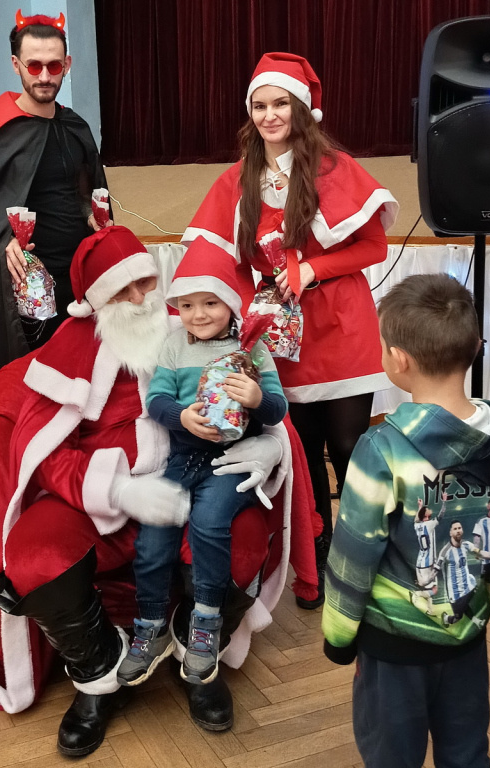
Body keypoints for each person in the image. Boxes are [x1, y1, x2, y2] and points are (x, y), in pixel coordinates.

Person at [0, 226, 309, 758]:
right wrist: (118, 490)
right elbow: (40, 452)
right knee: (34, 556)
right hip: (98, 506)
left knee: (243, 543)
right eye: (120, 290)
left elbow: (259, 396)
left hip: (193, 479)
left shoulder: (192, 326)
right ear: (94, 302)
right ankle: (98, 675)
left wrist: (269, 445)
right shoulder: (70, 352)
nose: (139, 300)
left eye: (146, 283)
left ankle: (196, 658)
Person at [183, 52, 398, 609]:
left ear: (302, 108)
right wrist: (215, 310)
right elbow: (220, 258)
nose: (269, 115)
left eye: (280, 103)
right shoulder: (237, 180)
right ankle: (315, 554)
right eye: (259, 105)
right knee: (301, 449)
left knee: (348, 444)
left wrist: (311, 269)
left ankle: (363, 553)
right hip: (281, 332)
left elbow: (374, 246)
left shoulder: (335, 169)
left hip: (342, 322)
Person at [321, 274, 490, 768]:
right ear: (475, 347)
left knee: (392, 757)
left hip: (394, 647)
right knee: (467, 752)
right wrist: (475, 604)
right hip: (466, 631)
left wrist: (339, 636)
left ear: (398, 359)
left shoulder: (380, 449)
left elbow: (353, 553)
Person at [117, 238, 288, 688]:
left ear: (231, 303)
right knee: (154, 532)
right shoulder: (174, 346)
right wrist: (182, 417)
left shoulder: (253, 346)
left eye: (210, 302)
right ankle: (150, 624)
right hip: (183, 457)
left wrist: (257, 397)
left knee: (210, 523)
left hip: (232, 459)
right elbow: (156, 401)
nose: (198, 314)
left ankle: (207, 621)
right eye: (188, 304)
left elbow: (277, 409)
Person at [0, 9, 111, 399]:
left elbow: (87, 189)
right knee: (35, 378)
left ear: (66, 65)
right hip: (29, 279)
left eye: (53, 66)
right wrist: (1, 235)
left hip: (78, 269)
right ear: (16, 64)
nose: (44, 76)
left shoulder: (75, 125)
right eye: (34, 65)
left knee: (84, 368)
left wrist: (93, 216)